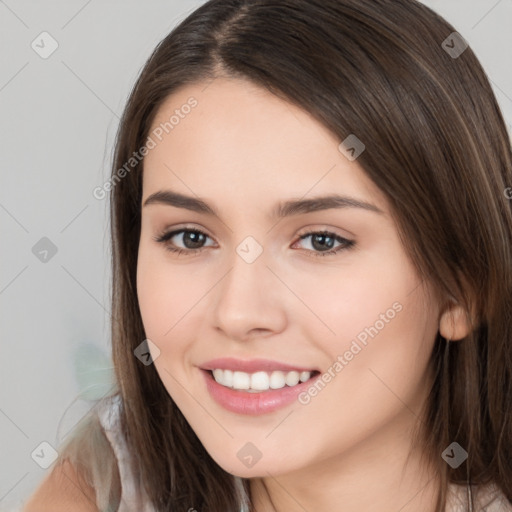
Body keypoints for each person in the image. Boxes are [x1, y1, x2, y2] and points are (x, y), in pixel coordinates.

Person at [23, 0, 512, 511]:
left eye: (322, 240)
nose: (238, 313)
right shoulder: (103, 483)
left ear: (463, 286)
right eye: (191, 237)